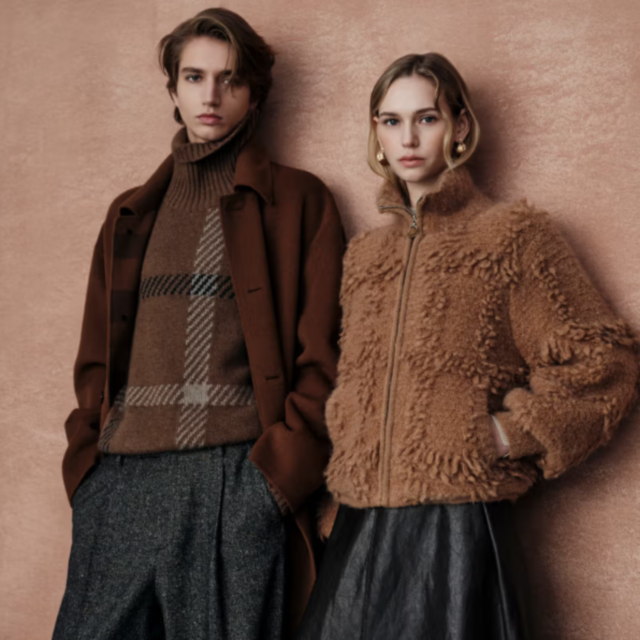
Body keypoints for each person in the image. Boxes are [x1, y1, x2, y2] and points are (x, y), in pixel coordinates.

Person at [295, 53, 639, 640]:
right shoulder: (365, 258)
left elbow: (604, 360)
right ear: (377, 133)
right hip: (357, 528)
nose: (408, 138)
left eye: (426, 118)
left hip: (455, 530)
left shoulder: (512, 236)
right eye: (391, 121)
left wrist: (503, 435)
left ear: (459, 126)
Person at [53, 8, 344, 640]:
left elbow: (325, 357)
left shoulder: (299, 201)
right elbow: (95, 359)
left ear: (254, 93)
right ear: (173, 88)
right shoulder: (129, 213)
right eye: (194, 77)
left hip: (235, 477)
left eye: (230, 79)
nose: (210, 95)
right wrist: (87, 472)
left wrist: (274, 482)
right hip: (120, 481)